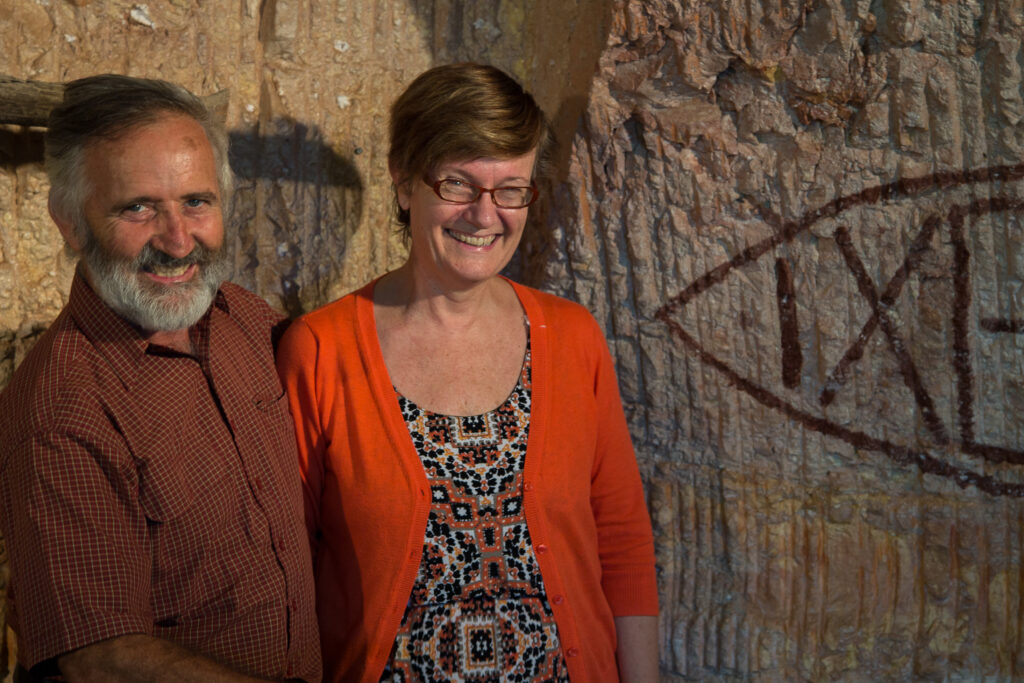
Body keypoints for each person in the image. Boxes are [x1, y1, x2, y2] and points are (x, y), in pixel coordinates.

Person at [277, 63, 659, 682]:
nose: (485, 216)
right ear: (405, 184)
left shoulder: (572, 338)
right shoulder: (320, 351)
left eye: (511, 188)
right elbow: (286, 570)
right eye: (457, 184)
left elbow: (623, 545)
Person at [0, 75, 320, 682]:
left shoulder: (245, 320)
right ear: (70, 221)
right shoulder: (60, 414)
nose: (178, 241)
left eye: (197, 202)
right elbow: (102, 661)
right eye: (138, 207)